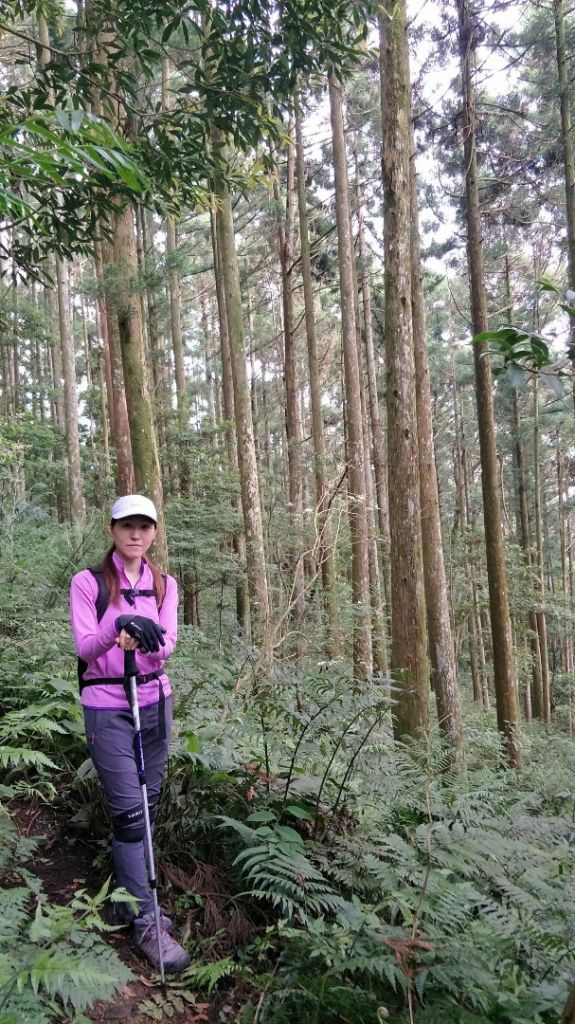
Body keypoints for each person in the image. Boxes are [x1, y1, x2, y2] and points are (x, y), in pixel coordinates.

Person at [70, 494, 190, 974]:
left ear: (154, 533)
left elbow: (169, 645)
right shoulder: (89, 583)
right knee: (128, 813)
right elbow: (86, 648)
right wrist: (117, 624)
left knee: (148, 805)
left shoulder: (165, 585)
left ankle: (127, 898)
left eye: (144, 526)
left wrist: (145, 640)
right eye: (126, 526)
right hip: (108, 706)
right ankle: (144, 920)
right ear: (112, 530)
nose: (135, 534)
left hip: (155, 703)